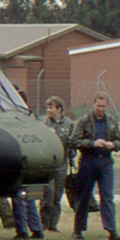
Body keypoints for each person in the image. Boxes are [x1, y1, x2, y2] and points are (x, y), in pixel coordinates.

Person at [71, 92, 120, 240]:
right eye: (98, 105)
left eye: (103, 106)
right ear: (93, 104)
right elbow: (74, 141)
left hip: (105, 162)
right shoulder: (84, 121)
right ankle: (78, 229)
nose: (100, 109)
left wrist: (113, 145)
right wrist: (92, 143)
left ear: (107, 106)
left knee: (107, 197)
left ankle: (112, 231)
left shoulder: (112, 121)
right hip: (88, 161)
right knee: (84, 197)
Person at [40, 96, 75, 232]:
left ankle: (53, 225)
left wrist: (72, 156)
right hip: (48, 164)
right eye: (48, 107)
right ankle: (43, 223)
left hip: (62, 163)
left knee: (57, 195)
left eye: (51, 107)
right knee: (47, 194)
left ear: (59, 109)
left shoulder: (69, 124)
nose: (49, 110)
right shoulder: (44, 124)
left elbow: (73, 142)